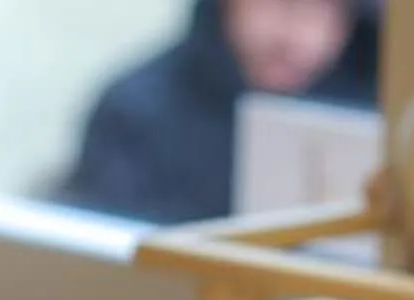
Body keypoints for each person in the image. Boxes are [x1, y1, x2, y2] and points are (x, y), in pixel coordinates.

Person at [55, 0, 382, 227]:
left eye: (329, 16)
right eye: (283, 5)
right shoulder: (134, 112)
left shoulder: (376, 110)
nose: (302, 39)